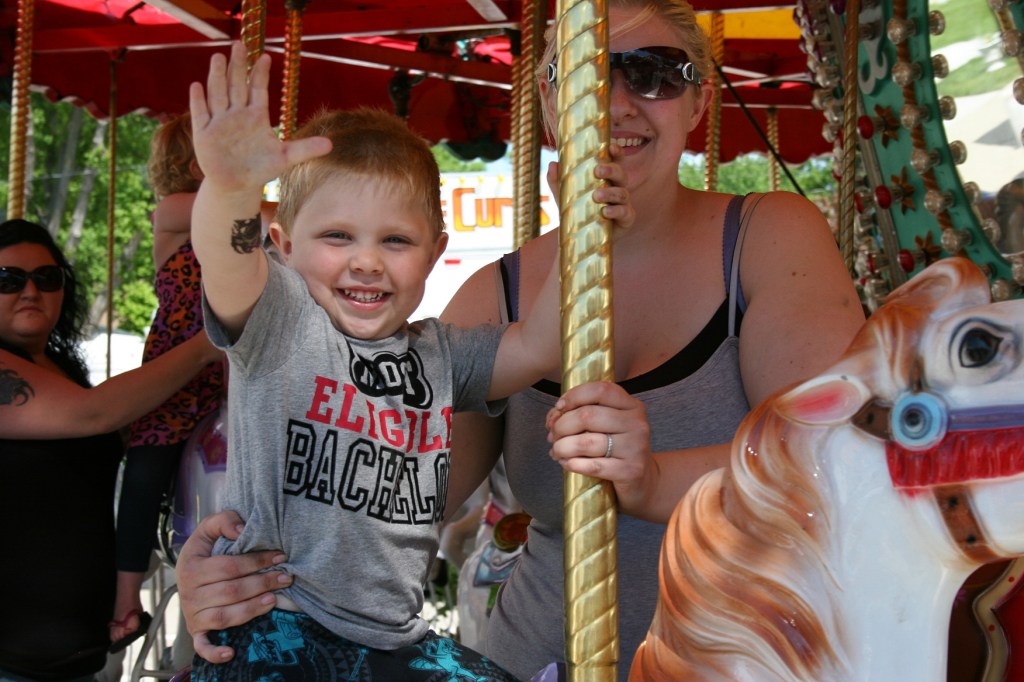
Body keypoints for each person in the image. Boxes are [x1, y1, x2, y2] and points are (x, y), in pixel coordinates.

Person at [174, 1, 866, 679]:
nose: (616, 102)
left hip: (751, 654)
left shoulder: (768, 238)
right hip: (539, 654)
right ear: (549, 96)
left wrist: (653, 483)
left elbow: (836, 455)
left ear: (698, 101)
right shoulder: (489, 296)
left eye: (654, 72)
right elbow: (399, 497)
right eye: (588, 74)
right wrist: (237, 565)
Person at [183, 41, 631, 680]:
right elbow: (225, 261)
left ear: (434, 252)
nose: (366, 261)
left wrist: (578, 223)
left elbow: (540, 346)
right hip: (278, 624)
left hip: (394, 638)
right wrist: (229, 189)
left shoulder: (442, 354)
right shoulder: (280, 324)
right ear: (282, 243)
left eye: (395, 240)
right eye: (337, 236)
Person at [0, 219, 222, 682]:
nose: (30, 291)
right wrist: (206, 343)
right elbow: (95, 413)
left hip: (76, 648)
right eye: (7, 279)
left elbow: (101, 434)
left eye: (47, 277)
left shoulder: (59, 369)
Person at [109, 111, 226, 654]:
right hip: (181, 366)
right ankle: (124, 596)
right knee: (148, 465)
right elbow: (252, 212)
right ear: (189, 159)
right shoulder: (177, 210)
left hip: (235, 365)